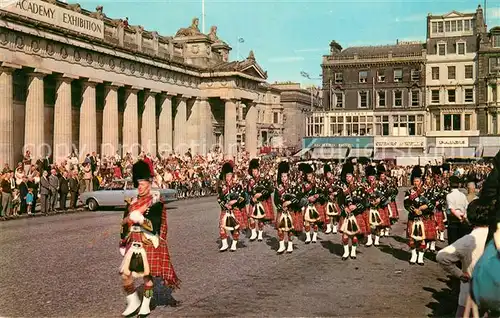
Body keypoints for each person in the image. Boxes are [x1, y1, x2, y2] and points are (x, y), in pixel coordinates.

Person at [119, 160, 180, 317]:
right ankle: (133, 302)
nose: (139, 187)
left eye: (142, 183)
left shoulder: (155, 203)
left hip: (148, 243)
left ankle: (146, 304)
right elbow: (124, 224)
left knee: (147, 277)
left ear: (149, 183)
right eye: (137, 183)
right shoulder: (132, 203)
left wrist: (140, 218)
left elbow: (154, 226)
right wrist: (122, 240)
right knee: (125, 276)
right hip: (134, 244)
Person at [436, 199, 489, 318]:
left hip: (470, 292)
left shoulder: (469, 239)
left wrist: (459, 274)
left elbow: (442, 256)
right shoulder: (495, 236)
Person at [404, 166, 435, 265]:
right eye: (414, 181)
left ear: (421, 181)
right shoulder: (409, 192)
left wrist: (422, 209)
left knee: (423, 239)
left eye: (417, 181)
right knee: (412, 238)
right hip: (413, 217)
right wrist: (414, 210)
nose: (415, 183)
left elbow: (431, 204)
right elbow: (406, 204)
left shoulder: (428, 192)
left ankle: (421, 256)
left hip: (423, 218)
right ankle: (413, 255)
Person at [217, 162, 247, 252]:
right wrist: (225, 204)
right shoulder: (222, 186)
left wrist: (234, 202)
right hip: (225, 209)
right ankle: (224, 244)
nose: (228, 177)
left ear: (232, 175)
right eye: (226, 175)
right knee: (222, 227)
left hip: (235, 209)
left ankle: (234, 243)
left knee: (235, 228)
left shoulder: (237, 185)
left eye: (229, 175)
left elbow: (242, 197)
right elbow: (219, 198)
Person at [246, 158, 274, 242]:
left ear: (258, 170)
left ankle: (260, 234)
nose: (254, 173)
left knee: (261, 219)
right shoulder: (250, 180)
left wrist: (261, 194)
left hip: (262, 201)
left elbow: (271, 188)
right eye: (253, 171)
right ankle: (253, 233)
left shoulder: (264, 178)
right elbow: (248, 191)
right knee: (251, 217)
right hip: (253, 201)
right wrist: (252, 198)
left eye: (255, 171)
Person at [447, 175, 470, 245]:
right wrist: (464, 218)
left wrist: (459, 218)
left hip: (453, 220)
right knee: (460, 243)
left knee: (453, 243)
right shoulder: (462, 195)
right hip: (462, 221)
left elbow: (452, 209)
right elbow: (466, 207)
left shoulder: (449, 195)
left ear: (450, 184)